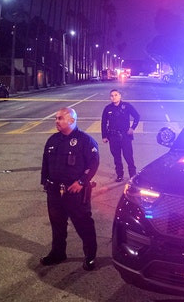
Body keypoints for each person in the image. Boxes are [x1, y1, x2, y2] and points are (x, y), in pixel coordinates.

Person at [40, 107, 100, 271]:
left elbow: (93, 164)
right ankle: (58, 253)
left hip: (75, 192)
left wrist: (81, 182)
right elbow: (45, 163)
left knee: (83, 224)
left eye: (60, 118)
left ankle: (90, 256)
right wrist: (45, 182)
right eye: (56, 118)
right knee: (57, 224)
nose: (56, 121)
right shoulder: (53, 140)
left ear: (71, 121)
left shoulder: (85, 141)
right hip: (54, 192)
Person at [101, 89, 140, 182]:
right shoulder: (107, 108)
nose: (113, 97)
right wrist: (104, 136)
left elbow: (137, 116)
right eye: (112, 96)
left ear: (120, 96)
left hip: (125, 136)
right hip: (113, 136)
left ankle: (132, 175)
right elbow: (104, 123)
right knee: (116, 157)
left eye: (115, 95)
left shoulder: (126, 106)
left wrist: (133, 128)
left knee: (128, 157)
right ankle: (119, 175)